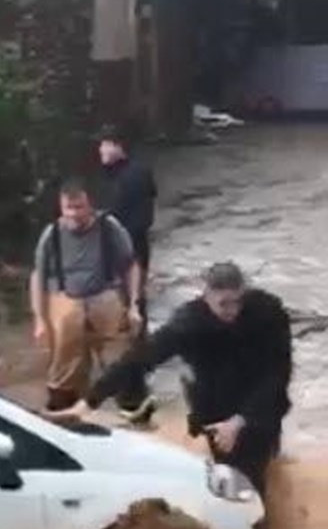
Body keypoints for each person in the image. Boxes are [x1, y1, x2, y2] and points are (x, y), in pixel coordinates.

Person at [54, 262, 292, 496]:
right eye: (224, 304)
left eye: (237, 301)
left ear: (244, 292)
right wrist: (91, 400)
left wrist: (240, 421)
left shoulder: (267, 313)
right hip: (215, 400)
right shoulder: (188, 323)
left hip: (260, 395)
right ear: (206, 296)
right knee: (231, 477)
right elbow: (140, 358)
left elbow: (278, 374)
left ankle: (266, 490)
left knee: (258, 458)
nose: (232, 310)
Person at [31, 178, 150, 417]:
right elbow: (38, 278)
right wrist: (40, 320)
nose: (74, 214)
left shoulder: (109, 226)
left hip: (104, 294)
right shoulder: (51, 234)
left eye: (80, 207)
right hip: (66, 299)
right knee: (65, 360)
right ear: (61, 209)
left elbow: (131, 266)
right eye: (69, 208)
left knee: (120, 355)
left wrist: (134, 304)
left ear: (90, 206)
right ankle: (63, 410)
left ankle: (134, 407)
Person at [98, 124, 157, 320]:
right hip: (127, 246)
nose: (101, 149)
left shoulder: (132, 176)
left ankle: (139, 342)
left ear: (119, 147)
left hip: (130, 247)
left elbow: (139, 218)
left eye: (105, 144)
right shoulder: (115, 174)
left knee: (132, 300)